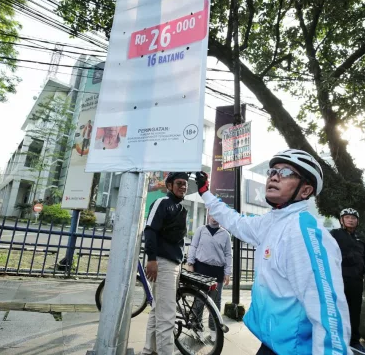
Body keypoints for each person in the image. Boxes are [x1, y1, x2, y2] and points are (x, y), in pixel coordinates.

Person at [195, 149, 352, 355]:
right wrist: (205, 193)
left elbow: (329, 312)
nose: (275, 177)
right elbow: (235, 222)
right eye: (273, 171)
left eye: (286, 173)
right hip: (270, 345)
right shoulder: (270, 221)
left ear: (305, 191)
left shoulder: (306, 234)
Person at [142, 172, 189, 355]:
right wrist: (151, 259)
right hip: (162, 263)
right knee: (167, 316)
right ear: (169, 185)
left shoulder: (181, 208)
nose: (183, 186)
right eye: (179, 183)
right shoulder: (162, 203)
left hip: (174, 264)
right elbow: (150, 230)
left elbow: (178, 240)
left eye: (185, 184)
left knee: (158, 310)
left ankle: (149, 350)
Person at [331, 208, 365, 355]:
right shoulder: (334, 235)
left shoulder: (361, 237)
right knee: (336, 310)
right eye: (347, 217)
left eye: (353, 218)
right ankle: (334, 341)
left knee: (355, 312)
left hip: (356, 281)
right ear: (341, 220)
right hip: (338, 279)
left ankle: (354, 342)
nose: (351, 220)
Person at [187, 214, 232, 341]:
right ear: (208, 216)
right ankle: (196, 327)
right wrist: (190, 263)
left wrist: (227, 273)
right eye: (212, 215)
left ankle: (213, 329)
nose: (215, 218)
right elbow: (193, 246)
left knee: (215, 302)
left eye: (218, 215)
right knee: (199, 300)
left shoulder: (225, 235)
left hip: (217, 271)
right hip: (201, 269)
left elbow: (228, 254)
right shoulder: (201, 230)